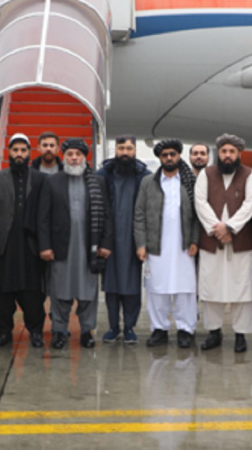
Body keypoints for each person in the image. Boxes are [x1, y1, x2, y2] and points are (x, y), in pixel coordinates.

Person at [38, 138, 112, 350]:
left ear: (84, 158)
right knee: (60, 291)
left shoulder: (98, 182)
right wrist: (45, 246)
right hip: (62, 247)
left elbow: (107, 215)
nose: (73, 158)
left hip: (89, 247)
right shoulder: (53, 181)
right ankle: (59, 331)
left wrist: (105, 243)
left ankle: (87, 331)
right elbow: (43, 218)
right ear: (64, 157)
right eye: (70, 154)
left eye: (78, 155)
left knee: (88, 292)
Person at [194, 134, 252, 353]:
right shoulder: (206, 174)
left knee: (242, 288)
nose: (228, 156)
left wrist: (230, 227)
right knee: (211, 286)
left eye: (232, 152)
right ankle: (214, 332)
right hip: (212, 240)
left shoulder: (250, 175)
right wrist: (218, 229)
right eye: (224, 151)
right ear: (218, 153)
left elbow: (250, 204)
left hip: (240, 241)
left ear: (238, 153)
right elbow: (200, 203)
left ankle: (241, 334)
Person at [0, 133, 47, 348]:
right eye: (15, 150)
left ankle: (35, 331)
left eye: (23, 150)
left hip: (31, 244)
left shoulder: (40, 179)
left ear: (30, 153)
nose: (19, 154)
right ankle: (5, 332)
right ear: (9, 152)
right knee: (5, 291)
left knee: (33, 292)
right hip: (6, 244)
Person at [134, 139, 199, 348]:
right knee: (156, 289)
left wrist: (195, 240)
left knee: (185, 289)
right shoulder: (148, 182)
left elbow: (197, 214)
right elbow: (139, 214)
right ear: (160, 158)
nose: (169, 158)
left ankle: (185, 329)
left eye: (173, 154)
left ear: (179, 156)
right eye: (165, 155)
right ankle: (159, 329)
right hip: (155, 245)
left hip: (184, 245)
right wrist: (141, 243)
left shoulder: (189, 181)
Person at [97, 135, 150, 344]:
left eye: (129, 148)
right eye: (121, 148)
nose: (125, 153)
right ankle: (113, 327)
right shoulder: (103, 175)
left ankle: (129, 327)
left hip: (133, 239)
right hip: (109, 239)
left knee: (132, 286)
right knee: (111, 286)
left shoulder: (144, 176)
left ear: (135, 150)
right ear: (115, 150)